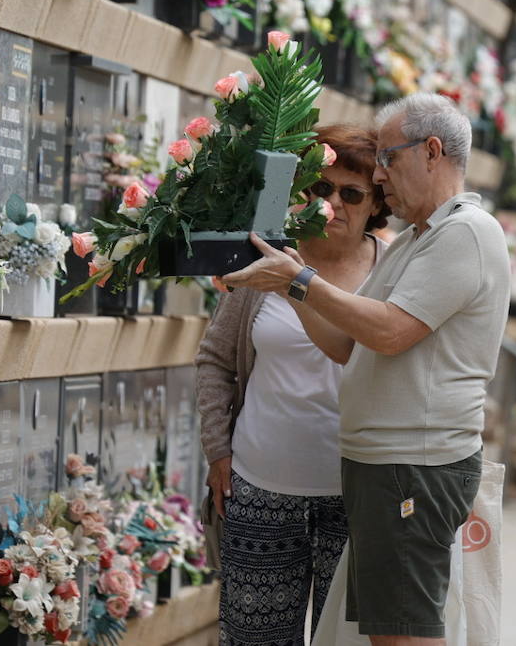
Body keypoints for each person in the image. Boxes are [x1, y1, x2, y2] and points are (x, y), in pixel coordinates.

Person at [224, 93, 509, 645]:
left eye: (388, 158)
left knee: (404, 634)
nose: (379, 176)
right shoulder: (418, 239)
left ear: (432, 151)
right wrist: (294, 276)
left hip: (414, 465)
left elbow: (389, 330)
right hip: (389, 464)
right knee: (389, 631)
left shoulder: (466, 232)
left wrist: (300, 282)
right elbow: (346, 345)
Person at [195, 124, 388, 645]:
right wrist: (218, 450)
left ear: (376, 204)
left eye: (352, 193)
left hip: (357, 496)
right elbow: (215, 360)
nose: (334, 203)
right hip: (260, 487)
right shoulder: (268, 261)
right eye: (321, 188)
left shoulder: (394, 270)